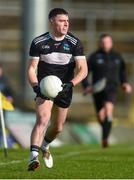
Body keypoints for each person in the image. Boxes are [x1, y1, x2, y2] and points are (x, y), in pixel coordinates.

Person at [27, 8, 87, 171]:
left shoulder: (74, 43)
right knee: (43, 120)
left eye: (67, 21)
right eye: (61, 20)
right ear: (52, 21)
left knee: (58, 127)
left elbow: (83, 69)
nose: (66, 23)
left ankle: (45, 146)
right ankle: (33, 157)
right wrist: (36, 86)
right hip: (45, 88)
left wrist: (72, 84)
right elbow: (32, 68)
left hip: (65, 88)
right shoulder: (39, 42)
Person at [82, 33, 132, 148]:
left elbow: (122, 72)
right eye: (103, 42)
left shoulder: (117, 56)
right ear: (100, 43)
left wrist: (124, 83)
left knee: (108, 111)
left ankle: (105, 139)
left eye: (107, 42)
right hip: (97, 90)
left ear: (111, 43)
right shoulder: (94, 57)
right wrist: (87, 86)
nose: (105, 44)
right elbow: (85, 73)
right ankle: (106, 131)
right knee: (100, 116)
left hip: (112, 89)